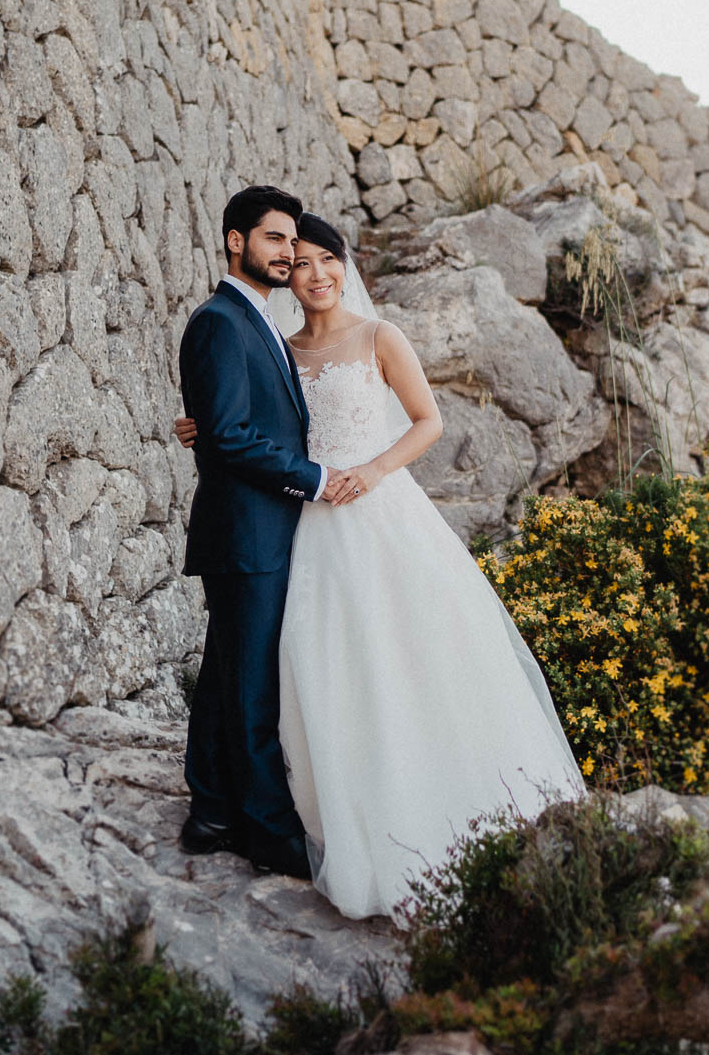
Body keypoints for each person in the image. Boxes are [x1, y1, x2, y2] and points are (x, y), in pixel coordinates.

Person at [176, 210, 585, 921]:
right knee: (321, 660)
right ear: (286, 276)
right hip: (308, 523)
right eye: (299, 262)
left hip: (379, 510)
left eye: (325, 258)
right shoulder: (283, 344)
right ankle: (327, 806)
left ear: (344, 263)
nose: (315, 273)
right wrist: (201, 426)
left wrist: (373, 471)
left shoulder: (379, 335)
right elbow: (254, 420)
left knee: (413, 653)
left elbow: (428, 420)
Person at [175, 186, 360, 880]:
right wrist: (310, 477)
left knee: (231, 673)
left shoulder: (260, 325)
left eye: (294, 242)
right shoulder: (221, 321)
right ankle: (262, 830)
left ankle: (213, 808)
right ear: (236, 241)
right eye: (275, 239)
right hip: (248, 533)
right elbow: (227, 434)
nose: (287, 253)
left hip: (260, 531)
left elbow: (227, 421)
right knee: (252, 687)